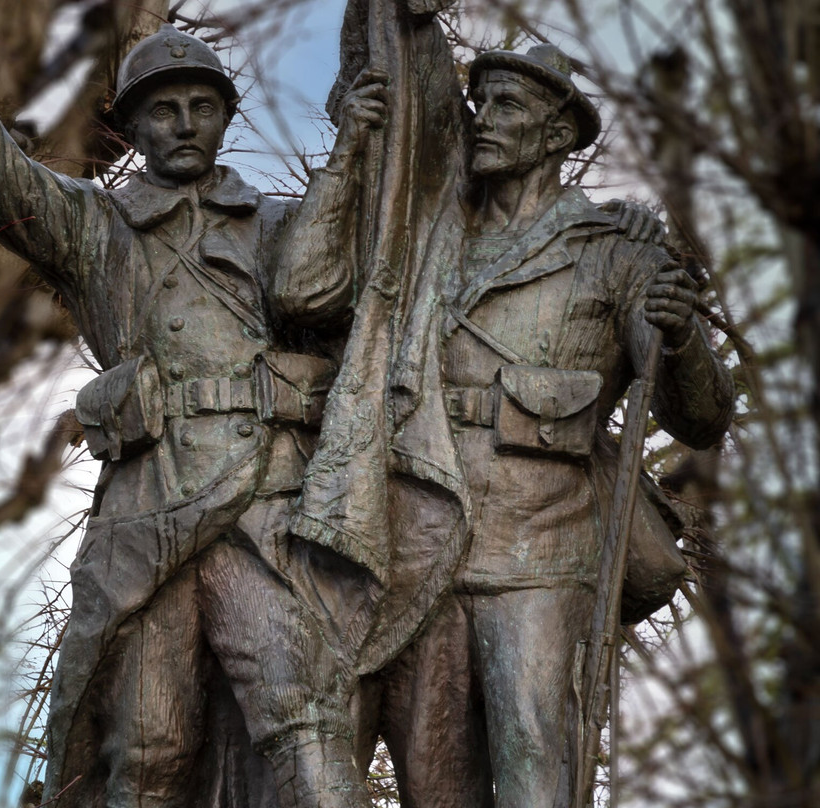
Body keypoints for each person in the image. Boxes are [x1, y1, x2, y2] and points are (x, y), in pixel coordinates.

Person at [0, 3, 386, 807]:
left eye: (203, 107)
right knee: (147, 750)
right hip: (151, 513)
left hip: (267, 509)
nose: (185, 124)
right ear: (128, 126)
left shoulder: (286, 226)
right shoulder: (97, 224)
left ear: (227, 116)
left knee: (310, 730)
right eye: (163, 108)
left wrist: (366, 140)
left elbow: (385, 266)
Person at [273, 33, 735, 808]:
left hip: (543, 553)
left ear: (557, 134)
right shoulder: (428, 233)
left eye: (507, 105)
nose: (482, 118)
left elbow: (701, 419)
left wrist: (683, 336)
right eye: (480, 100)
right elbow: (305, 291)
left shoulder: (617, 252)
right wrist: (354, 149)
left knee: (535, 770)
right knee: (437, 782)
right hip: (423, 537)